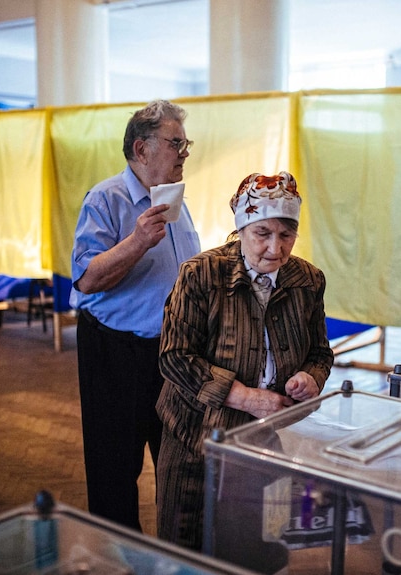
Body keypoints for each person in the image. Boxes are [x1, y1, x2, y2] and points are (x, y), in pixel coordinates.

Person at [155, 171, 335, 558]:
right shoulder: (200, 275)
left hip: (261, 442)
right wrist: (248, 398)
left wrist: (310, 377)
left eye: (286, 235)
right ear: (241, 229)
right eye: (263, 234)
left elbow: (321, 353)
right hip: (195, 439)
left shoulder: (307, 281)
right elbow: (174, 357)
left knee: (250, 548)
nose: (276, 249)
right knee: (184, 552)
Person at [70, 99, 200, 531]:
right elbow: (86, 278)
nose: (184, 153)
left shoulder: (176, 204)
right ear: (141, 150)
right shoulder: (106, 198)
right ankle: (117, 558)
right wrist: (138, 241)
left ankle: (171, 555)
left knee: (175, 463)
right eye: (175, 143)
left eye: (186, 144)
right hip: (115, 353)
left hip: (170, 356)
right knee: (114, 472)